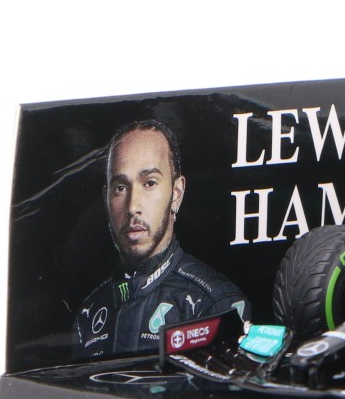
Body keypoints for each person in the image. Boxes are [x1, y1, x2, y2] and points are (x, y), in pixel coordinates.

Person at [75, 119, 247, 357]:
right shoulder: (89, 311)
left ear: (176, 194)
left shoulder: (214, 303)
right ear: (106, 199)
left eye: (150, 183)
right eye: (120, 188)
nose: (133, 206)